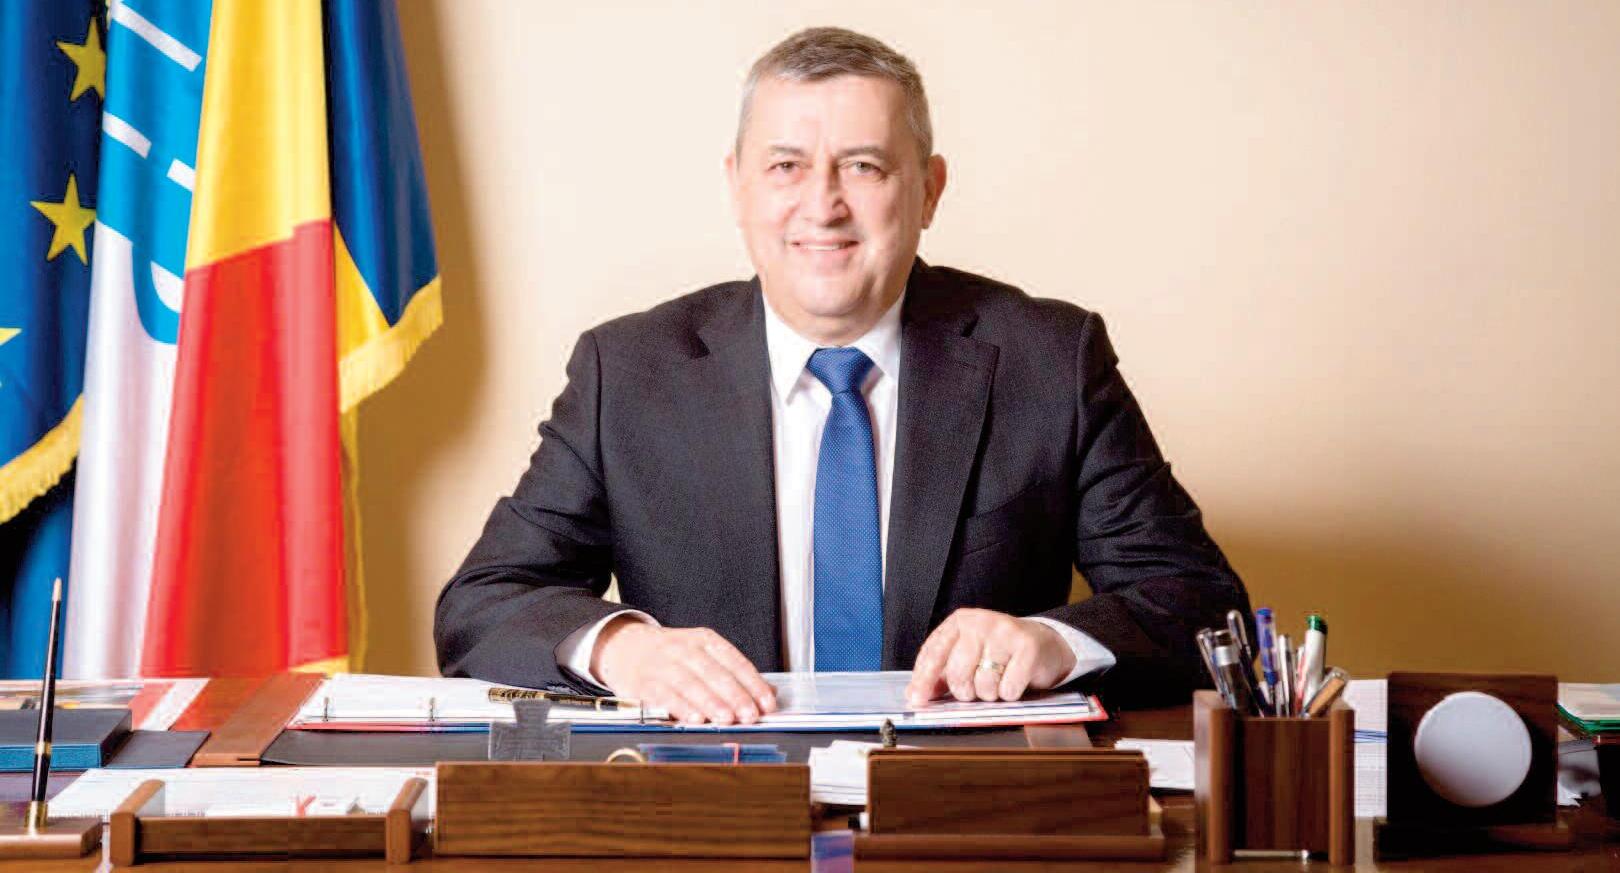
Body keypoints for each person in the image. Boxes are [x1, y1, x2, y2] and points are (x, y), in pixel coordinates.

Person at [435, 26, 1248, 725]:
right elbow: (481, 604)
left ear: (928, 190)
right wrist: (626, 649)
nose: (822, 205)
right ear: (738, 187)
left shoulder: (1050, 361)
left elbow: (1202, 604)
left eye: (862, 166)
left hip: (962, 807)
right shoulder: (628, 373)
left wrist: (1053, 641)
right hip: (713, 807)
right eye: (786, 166)